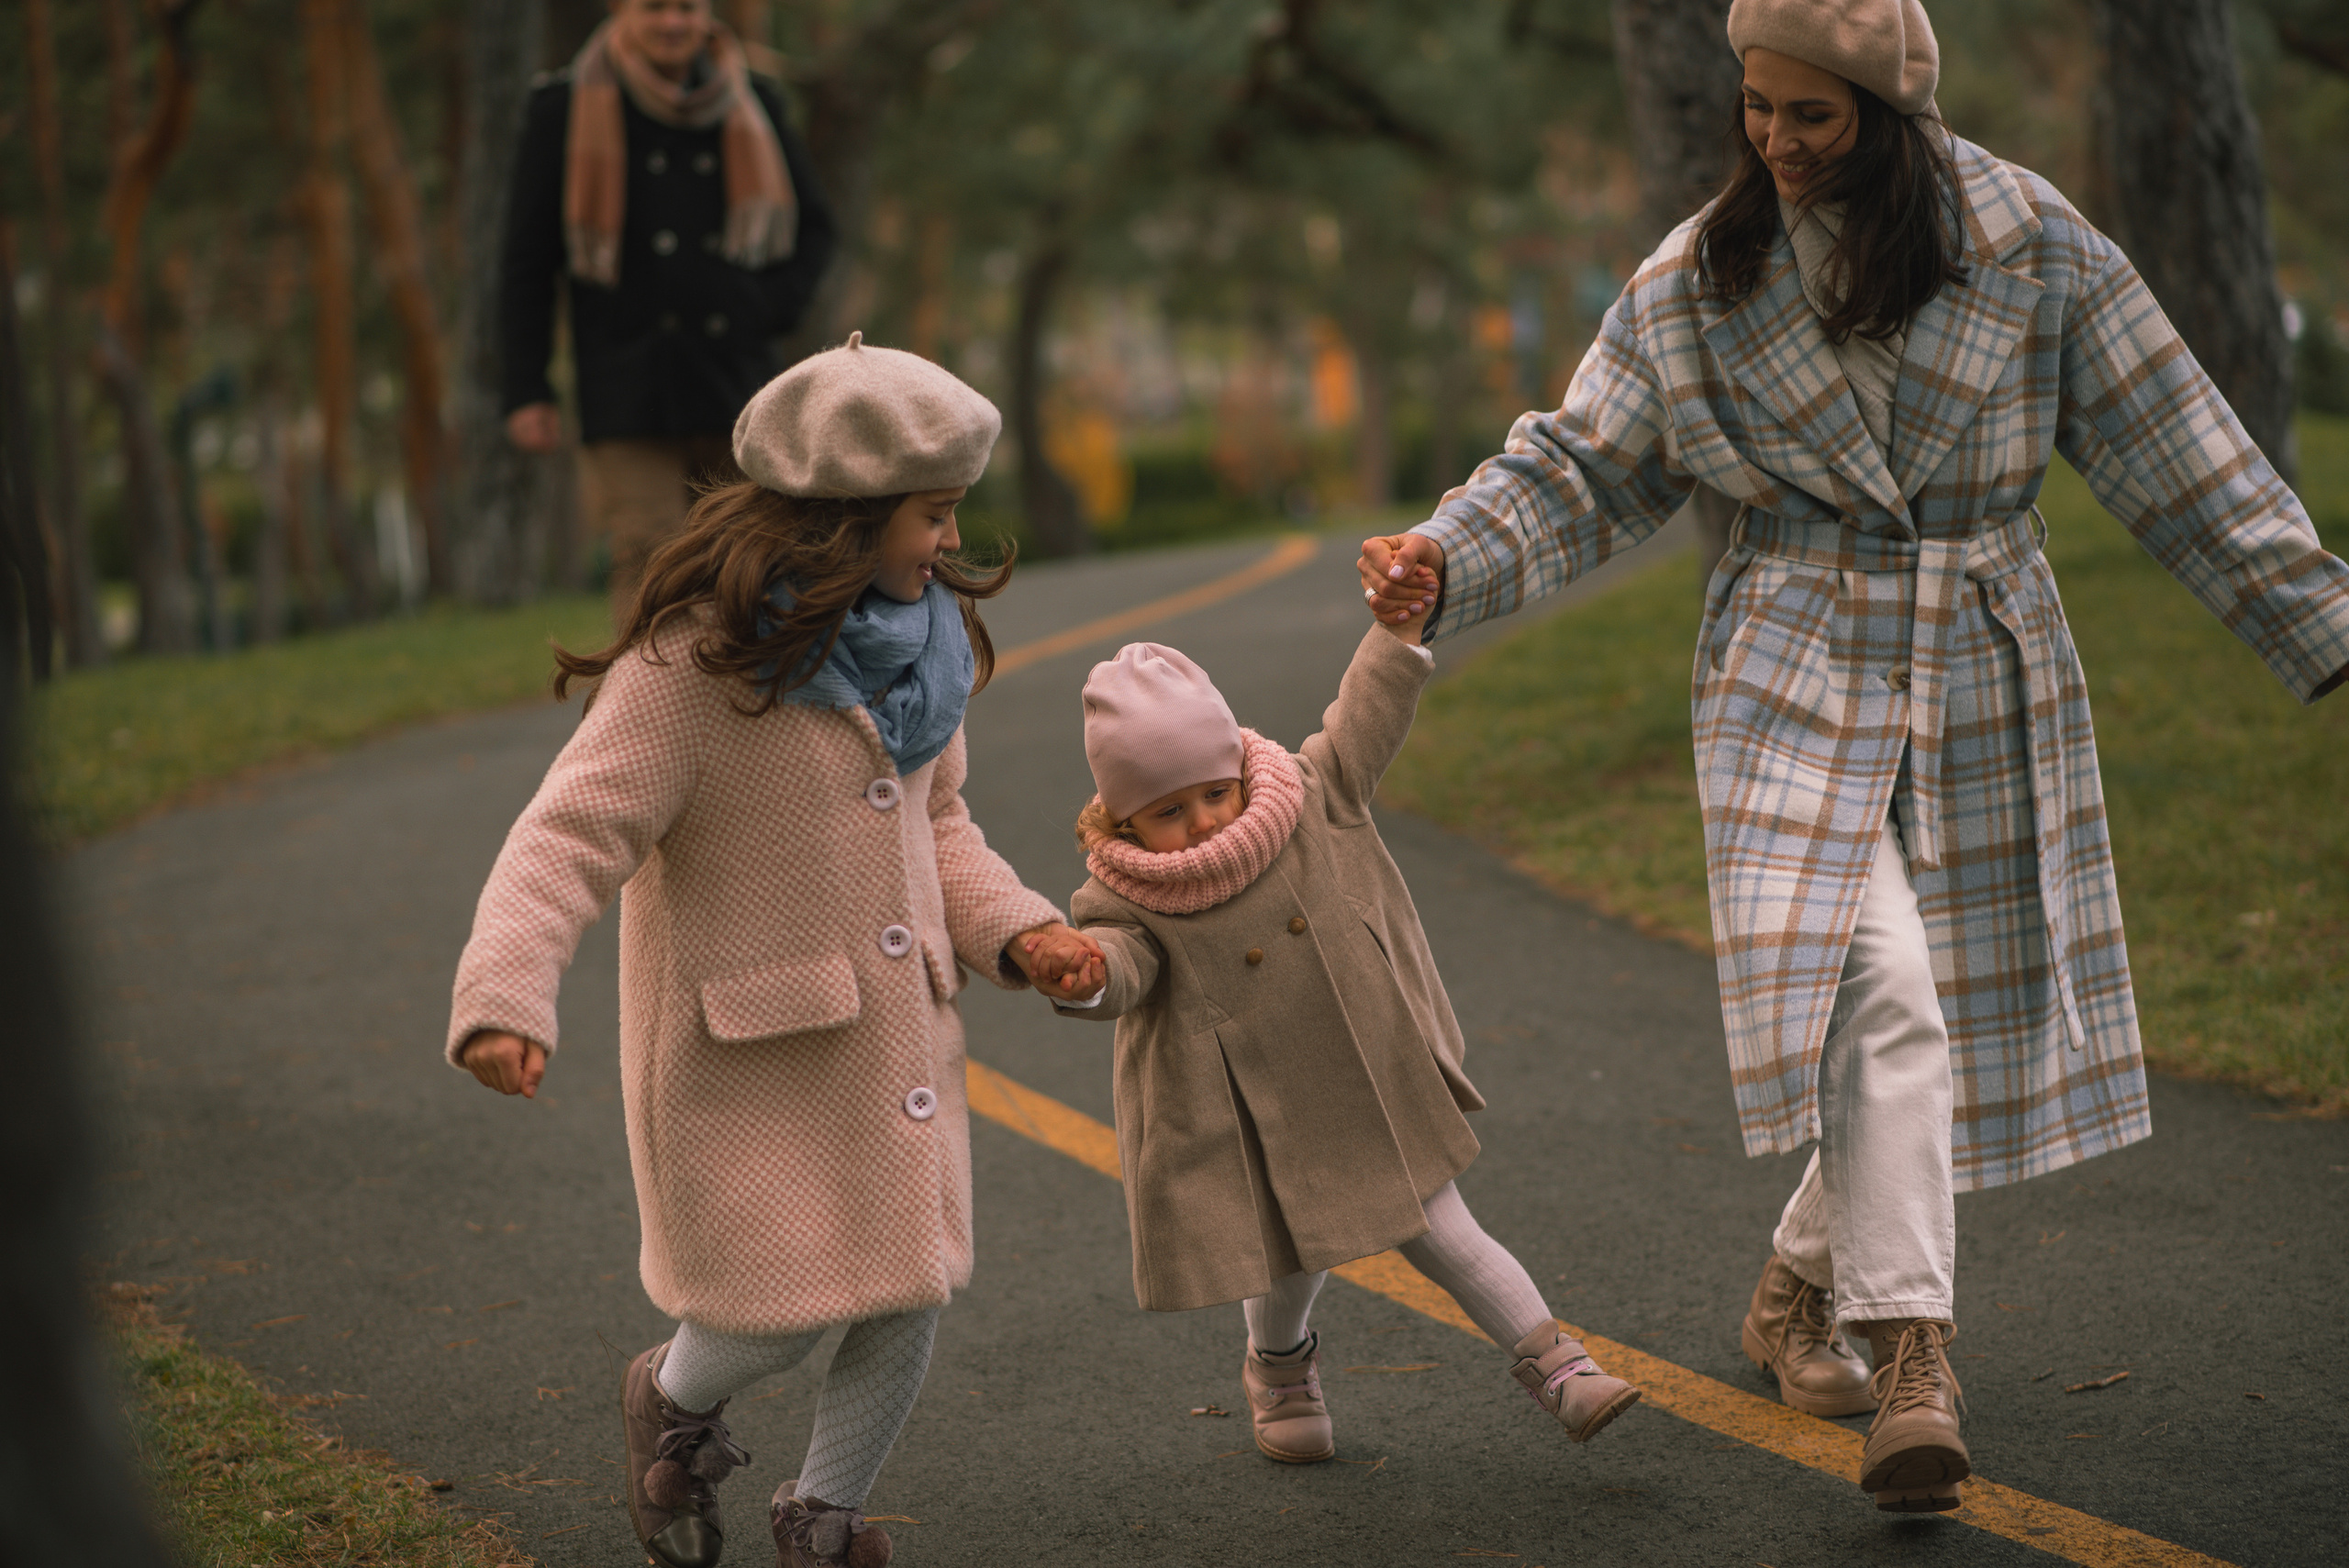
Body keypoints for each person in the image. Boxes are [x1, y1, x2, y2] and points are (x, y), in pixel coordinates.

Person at [1360, 0, 2349, 1517]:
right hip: (1786, 652)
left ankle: (1795, 1287)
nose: (1774, 141)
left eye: (1810, 117)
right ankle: (1916, 1363)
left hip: (1978, 648)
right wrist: (1445, 552)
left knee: (1926, 1004)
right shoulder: (1703, 275)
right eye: (1757, 109)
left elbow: (2184, 448)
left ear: (1892, 114)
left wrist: (2324, 622)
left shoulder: (2030, 243)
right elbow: (1586, 463)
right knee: (1873, 982)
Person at [446, 338, 1087, 1568]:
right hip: (747, 1063)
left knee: (908, 1287)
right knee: (776, 1313)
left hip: (890, 1049)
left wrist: (1022, 927)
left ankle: (824, 1519)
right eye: (930, 516)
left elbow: (939, 826)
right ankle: (677, 1402)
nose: (946, 546)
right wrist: (504, 994)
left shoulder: (926, 645)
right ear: (842, 520)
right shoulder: (694, 669)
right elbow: (566, 837)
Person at [1021, 614, 1642, 1467]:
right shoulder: (1121, 897)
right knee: (1287, 1267)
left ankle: (1558, 1364)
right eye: (1167, 810)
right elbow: (1126, 970)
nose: (1202, 822)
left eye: (1213, 791)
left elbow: (1366, 714)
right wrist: (1086, 974)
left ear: (1239, 767)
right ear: (1125, 825)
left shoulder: (1312, 794)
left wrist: (1396, 632)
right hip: (1256, 1113)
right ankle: (1278, 1370)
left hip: (1367, 1072)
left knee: (1444, 1227)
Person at [502, 0, 838, 611]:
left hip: (737, 379)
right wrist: (527, 388)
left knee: (754, 563)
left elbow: (815, 229)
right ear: (620, 9)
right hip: (627, 381)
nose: (672, 23)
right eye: (655, 7)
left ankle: (755, 705)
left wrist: (765, 308)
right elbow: (527, 258)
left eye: (686, 7)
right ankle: (639, 708)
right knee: (649, 562)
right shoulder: (566, 107)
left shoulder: (754, 97)